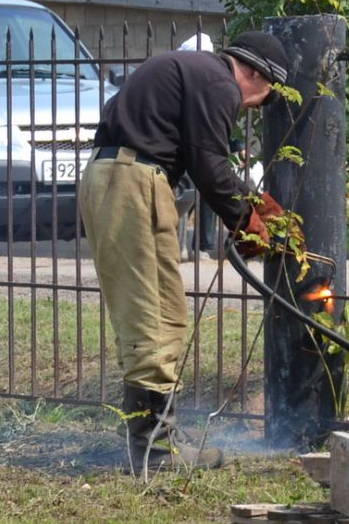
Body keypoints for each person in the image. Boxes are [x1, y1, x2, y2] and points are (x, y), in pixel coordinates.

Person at [80, 31, 290, 473]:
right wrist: (245, 218)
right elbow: (209, 167)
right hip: (132, 182)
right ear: (253, 71)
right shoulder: (220, 83)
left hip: (117, 176)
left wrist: (247, 204)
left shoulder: (196, 73)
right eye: (265, 95)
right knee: (156, 314)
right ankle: (157, 454)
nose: (254, 105)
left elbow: (205, 158)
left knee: (157, 313)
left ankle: (159, 438)